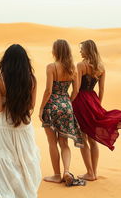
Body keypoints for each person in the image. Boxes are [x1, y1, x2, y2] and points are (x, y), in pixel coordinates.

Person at [0, 44, 41, 198]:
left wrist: (7, 101)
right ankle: (23, 190)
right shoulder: (31, 79)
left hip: (5, 124)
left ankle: (6, 190)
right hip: (24, 124)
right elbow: (31, 105)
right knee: (24, 159)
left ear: (6, 61)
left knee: (5, 159)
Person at [72, 40, 121, 180]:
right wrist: (97, 106)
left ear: (88, 50)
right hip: (93, 100)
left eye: (82, 49)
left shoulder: (80, 65)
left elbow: (76, 89)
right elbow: (101, 89)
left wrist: (70, 102)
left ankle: (89, 172)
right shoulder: (101, 67)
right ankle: (94, 172)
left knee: (83, 137)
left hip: (81, 101)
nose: (80, 51)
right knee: (92, 139)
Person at [39, 39, 83, 186]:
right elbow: (76, 90)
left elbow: (48, 91)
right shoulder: (73, 69)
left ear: (55, 51)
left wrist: (41, 108)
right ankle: (66, 171)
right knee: (64, 142)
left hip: (52, 106)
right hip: (67, 106)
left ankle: (57, 175)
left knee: (52, 143)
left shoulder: (51, 67)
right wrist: (67, 101)